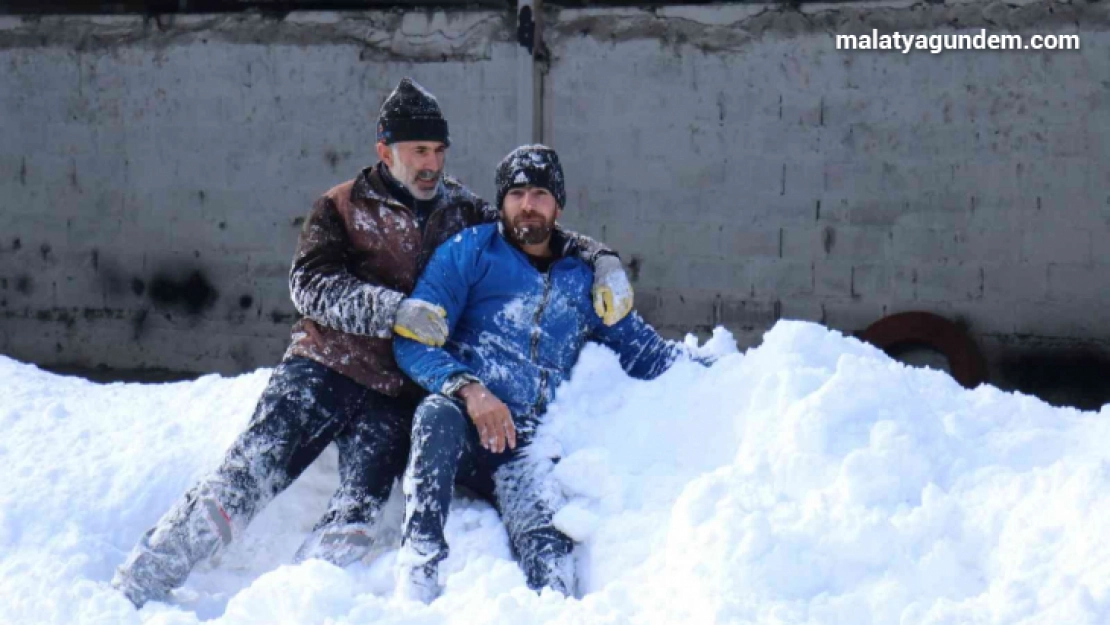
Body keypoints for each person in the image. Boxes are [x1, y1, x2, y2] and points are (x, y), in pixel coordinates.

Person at [111, 79, 635, 609]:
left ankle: (298, 608)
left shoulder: (459, 209)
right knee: (247, 478)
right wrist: (394, 310)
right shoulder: (341, 206)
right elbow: (308, 286)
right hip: (322, 371)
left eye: (438, 151)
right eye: (418, 151)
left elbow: (529, 226)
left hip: (394, 395)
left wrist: (601, 259)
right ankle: (141, 580)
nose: (431, 164)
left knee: (357, 519)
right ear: (386, 151)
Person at [391, 144, 700, 602]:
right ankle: (419, 563)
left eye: (539, 193)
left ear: (558, 204)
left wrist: (732, 372)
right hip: (463, 423)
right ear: (502, 201)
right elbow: (412, 338)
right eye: (516, 193)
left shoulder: (583, 278)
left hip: (523, 443)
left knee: (551, 567)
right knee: (436, 414)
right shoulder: (469, 253)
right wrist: (469, 390)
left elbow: (646, 354)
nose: (527, 205)